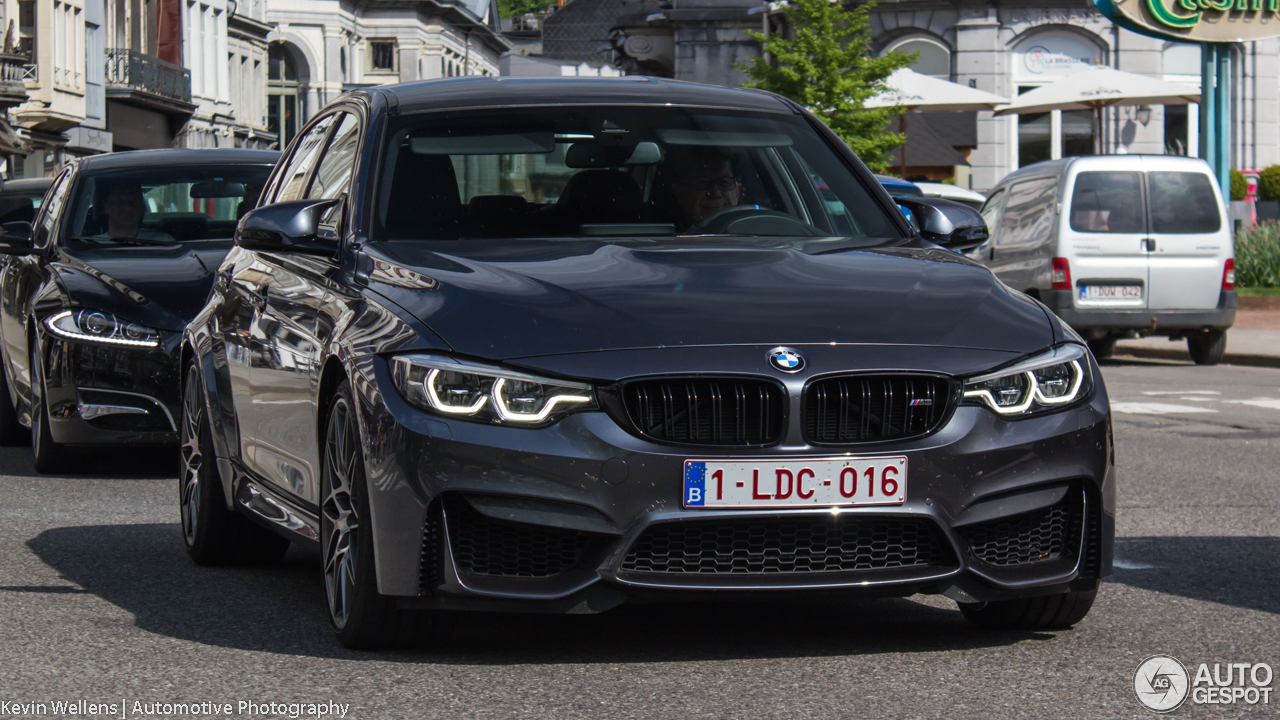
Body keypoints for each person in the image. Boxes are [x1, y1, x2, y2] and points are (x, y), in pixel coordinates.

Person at [669, 149, 744, 229]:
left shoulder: (751, 235)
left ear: (737, 192)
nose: (715, 193)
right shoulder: (665, 239)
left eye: (724, 182)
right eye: (702, 182)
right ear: (681, 195)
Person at [94, 180, 175, 242]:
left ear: (142, 210)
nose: (127, 208)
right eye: (120, 203)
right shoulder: (91, 245)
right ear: (106, 208)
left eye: (133, 203)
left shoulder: (162, 242)